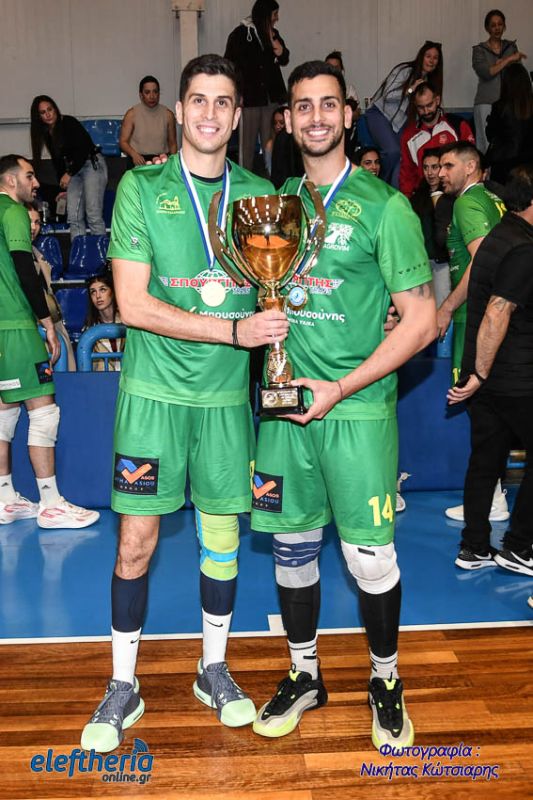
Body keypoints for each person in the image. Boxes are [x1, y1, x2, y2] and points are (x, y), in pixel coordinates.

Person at [79, 54, 288, 753]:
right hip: (153, 398)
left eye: (222, 102)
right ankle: (122, 683)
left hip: (225, 402)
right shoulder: (142, 188)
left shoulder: (260, 194)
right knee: (134, 543)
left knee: (222, 541)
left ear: (236, 115)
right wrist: (232, 331)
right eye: (198, 100)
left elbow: (284, 293)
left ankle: (213, 669)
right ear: (179, 111)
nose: (209, 113)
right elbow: (133, 305)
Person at [250, 61, 436, 749]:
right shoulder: (272, 206)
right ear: (287, 119)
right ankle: (306, 674)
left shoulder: (385, 207)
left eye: (328, 105)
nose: (316, 117)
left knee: (369, 560)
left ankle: (385, 680)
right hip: (284, 408)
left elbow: (421, 322)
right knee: (291, 549)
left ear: (348, 114)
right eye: (303, 106)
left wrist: (339, 387)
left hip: (354, 413)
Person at [0, 154, 100, 529]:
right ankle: (52, 504)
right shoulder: (12, 211)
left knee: (4, 411)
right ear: (10, 180)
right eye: (29, 176)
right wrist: (46, 320)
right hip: (15, 326)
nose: (36, 182)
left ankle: (4, 498)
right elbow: (24, 268)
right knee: (44, 411)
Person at [447, 165, 533, 576]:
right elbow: (497, 311)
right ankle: (519, 546)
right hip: (513, 377)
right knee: (486, 460)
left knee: (485, 460)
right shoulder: (523, 247)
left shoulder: (500, 234)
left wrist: (478, 376)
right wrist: (480, 375)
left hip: (491, 377)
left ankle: (474, 546)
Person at [436, 141, 508, 522]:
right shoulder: (494, 200)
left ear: (471, 166)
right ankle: (494, 496)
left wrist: (447, 306)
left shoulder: (467, 203)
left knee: (480, 407)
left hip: (476, 316)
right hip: (499, 313)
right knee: (492, 406)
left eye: (449, 166)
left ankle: (489, 500)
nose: (441, 173)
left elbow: (482, 261)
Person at [30, 95, 108, 241]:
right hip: (73, 171)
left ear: (55, 109)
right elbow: (58, 162)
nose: (48, 114)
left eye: (50, 109)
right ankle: (79, 253)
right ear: (38, 117)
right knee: (73, 216)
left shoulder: (68, 122)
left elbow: (83, 149)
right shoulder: (47, 133)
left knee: (93, 214)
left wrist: (69, 174)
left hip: (90, 164)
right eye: (43, 112)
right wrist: (64, 188)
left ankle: (102, 253)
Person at [366, 41, 443, 186]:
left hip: (400, 122)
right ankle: (379, 186)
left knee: (404, 156)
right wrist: (411, 90)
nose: (431, 60)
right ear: (421, 56)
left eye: (435, 58)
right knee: (393, 151)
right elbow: (388, 95)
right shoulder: (405, 70)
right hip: (380, 114)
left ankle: (395, 192)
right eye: (428, 56)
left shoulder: (428, 81)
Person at [225, 0, 289, 172]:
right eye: (274, 14)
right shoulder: (240, 34)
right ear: (266, 15)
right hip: (250, 100)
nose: (277, 18)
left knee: (271, 142)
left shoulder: (273, 34)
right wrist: (237, 94)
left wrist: (272, 37)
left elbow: (284, 58)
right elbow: (230, 65)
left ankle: (272, 177)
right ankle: (243, 178)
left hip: (271, 98)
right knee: (247, 145)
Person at [399, 83, 474, 197]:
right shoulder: (408, 135)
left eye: (429, 105)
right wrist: (407, 199)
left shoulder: (458, 125)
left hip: (456, 193)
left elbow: (471, 161)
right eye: (420, 107)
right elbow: (407, 174)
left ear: (437, 100)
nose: (426, 111)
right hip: (425, 195)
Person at [27, 203, 76, 371]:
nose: (34, 227)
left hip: (53, 325)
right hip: (33, 330)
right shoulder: (13, 257)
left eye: (37, 222)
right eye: (29, 221)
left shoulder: (39, 256)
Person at [472, 8, 525, 154]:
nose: (497, 28)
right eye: (493, 25)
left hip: (509, 104)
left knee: (509, 146)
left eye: (500, 24)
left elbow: (517, 74)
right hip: (486, 103)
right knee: (486, 147)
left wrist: (504, 62)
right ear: (487, 28)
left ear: (504, 26)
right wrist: (508, 60)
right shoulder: (479, 50)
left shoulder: (511, 46)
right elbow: (487, 73)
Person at [410, 149, 452, 307]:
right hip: (422, 261)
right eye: (426, 167)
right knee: (423, 307)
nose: (430, 173)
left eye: (434, 167)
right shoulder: (417, 197)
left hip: (443, 261)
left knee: (442, 306)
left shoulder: (451, 194)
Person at [485, 62, 533, 184]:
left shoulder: (499, 106)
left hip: (503, 163)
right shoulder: (530, 106)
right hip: (528, 165)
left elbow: (490, 134)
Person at [119, 76, 178, 169]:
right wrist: (134, 155)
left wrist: (172, 164)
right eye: (147, 92)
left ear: (159, 94)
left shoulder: (168, 115)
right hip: (138, 160)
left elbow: (173, 143)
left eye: (155, 92)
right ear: (141, 95)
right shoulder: (131, 114)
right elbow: (123, 142)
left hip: (161, 161)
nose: (152, 96)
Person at [84, 271, 124, 371]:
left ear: (113, 292)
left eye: (103, 290)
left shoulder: (128, 321)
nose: (98, 296)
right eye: (93, 292)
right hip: (103, 378)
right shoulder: (89, 328)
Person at [263, 105, 286, 175]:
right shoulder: (270, 144)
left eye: (281, 122)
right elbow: (270, 170)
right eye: (275, 123)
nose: (277, 126)